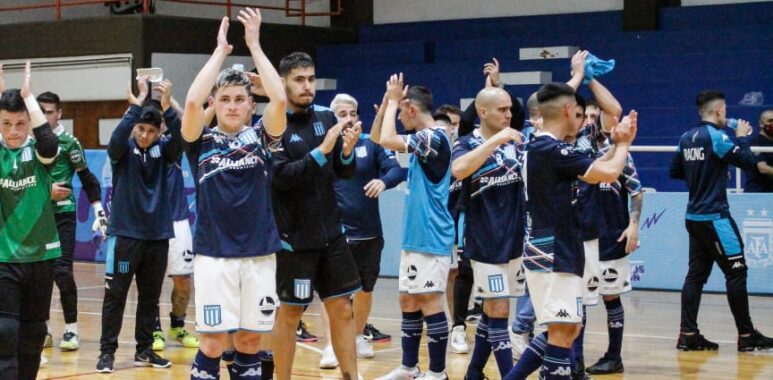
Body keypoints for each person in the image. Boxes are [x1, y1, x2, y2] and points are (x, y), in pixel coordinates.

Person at [504, 82, 638, 380]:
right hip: (553, 251)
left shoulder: (536, 145)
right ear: (567, 110)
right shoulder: (552, 148)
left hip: (555, 247)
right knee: (563, 332)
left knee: (567, 328)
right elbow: (608, 173)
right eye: (577, 114)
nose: (581, 120)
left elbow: (592, 164)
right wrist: (624, 144)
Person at [181, 10, 286, 380]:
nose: (231, 105)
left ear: (249, 104)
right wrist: (220, 53)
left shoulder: (262, 137)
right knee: (211, 344)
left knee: (249, 342)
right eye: (224, 99)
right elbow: (192, 104)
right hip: (214, 255)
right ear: (217, 103)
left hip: (258, 254)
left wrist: (255, 45)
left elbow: (280, 99)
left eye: (239, 99)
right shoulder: (201, 141)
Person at [270, 51, 362, 380]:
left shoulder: (326, 117)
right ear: (282, 83)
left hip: (332, 235)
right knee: (291, 313)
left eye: (311, 79)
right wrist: (322, 153)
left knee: (343, 308)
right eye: (299, 80)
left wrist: (346, 153)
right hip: (295, 239)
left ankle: (351, 375)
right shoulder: (273, 126)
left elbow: (343, 171)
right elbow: (281, 178)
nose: (307, 86)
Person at [669, 90, 773, 352]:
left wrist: (708, 174)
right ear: (717, 111)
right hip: (715, 217)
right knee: (737, 272)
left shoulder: (685, 137)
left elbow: (675, 171)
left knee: (695, 277)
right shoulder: (718, 137)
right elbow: (749, 162)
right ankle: (747, 336)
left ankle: (688, 334)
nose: (727, 114)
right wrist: (743, 138)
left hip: (693, 217)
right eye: (725, 110)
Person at [96, 75, 179, 373]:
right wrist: (136, 103)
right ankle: (107, 352)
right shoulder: (122, 152)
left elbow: (181, 140)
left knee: (150, 297)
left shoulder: (164, 152)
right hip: (125, 237)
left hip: (157, 237)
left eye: (150, 131)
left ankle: (145, 350)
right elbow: (115, 142)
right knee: (116, 294)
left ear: (158, 132)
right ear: (134, 127)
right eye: (140, 129)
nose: (145, 135)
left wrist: (168, 107)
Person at [317, 93, 405, 369]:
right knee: (333, 292)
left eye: (351, 113)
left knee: (366, 290)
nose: (348, 118)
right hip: (335, 232)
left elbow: (395, 170)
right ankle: (331, 345)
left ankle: (356, 336)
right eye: (342, 114)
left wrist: (382, 181)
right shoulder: (326, 147)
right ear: (333, 118)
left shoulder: (372, 144)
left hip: (369, 232)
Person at [376, 74, 453, 380]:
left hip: (431, 234)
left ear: (410, 109)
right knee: (408, 298)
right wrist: (387, 104)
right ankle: (409, 368)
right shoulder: (424, 139)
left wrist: (394, 99)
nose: (399, 117)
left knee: (429, 300)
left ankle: (438, 372)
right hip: (415, 234)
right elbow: (375, 138)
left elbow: (386, 140)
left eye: (400, 112)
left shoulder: (433, 136)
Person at [451, 87, 525, 379]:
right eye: (502, 110)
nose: (509, 115)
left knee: (494, 311)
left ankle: (474, 372)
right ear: (482, 113)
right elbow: (458, 170)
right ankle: (509, 375)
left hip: (515, 239)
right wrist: (495, 140)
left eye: (510, 110)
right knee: (499, 308)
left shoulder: (517, 142)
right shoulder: (467, 143)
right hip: (484, 242)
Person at [0, 61, 61, 380]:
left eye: (20, 124)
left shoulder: (39, 153)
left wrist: (29, 97)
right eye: (6, 123)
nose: (13, 131)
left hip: (42, 255)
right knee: (5, 332)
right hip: (4, 258)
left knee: (34, 333)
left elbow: (49, 142)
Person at [35, 91, 107, 352]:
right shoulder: (27, 141)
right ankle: (43, 330)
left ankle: (71, 330)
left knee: (62, 272)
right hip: (36, 218)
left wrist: (99, 210)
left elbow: (87, 178)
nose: (44, 116)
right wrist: (46, 190)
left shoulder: (69, 143)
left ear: (59, 114)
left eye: (49, 111)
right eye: (39, 110)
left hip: (63, 215)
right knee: (38, 276)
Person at [150, 116, 199, 352]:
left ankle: (177, 326)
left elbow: (183, 125)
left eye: (158, 122)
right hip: (151, 225)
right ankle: (154, 329)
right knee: (151, 282)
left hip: (178, 223)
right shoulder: (136, 151)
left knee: (183, 283)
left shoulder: (172, 147)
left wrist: (169, 104)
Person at [744, 109, 773, 192]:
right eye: (770, 121)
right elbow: (763, 168)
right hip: (757, 194)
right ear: (761, 124)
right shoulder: (755, 142)